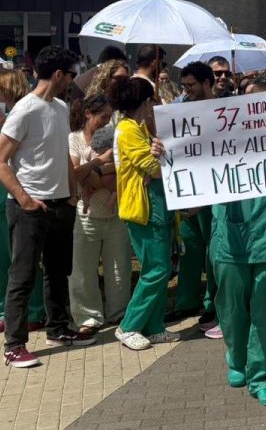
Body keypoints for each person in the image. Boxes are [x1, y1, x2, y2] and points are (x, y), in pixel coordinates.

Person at [0, 46, 90, 368]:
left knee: (59, 272)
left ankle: (58, 328)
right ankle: (14, 345)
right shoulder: (25, 110)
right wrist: (24, 199)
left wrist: (72, 194)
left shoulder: (60, 108)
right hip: (29, 208)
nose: (72, 82)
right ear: (58, 75)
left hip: (61, 204)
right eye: (70, 75)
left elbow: (61, 155)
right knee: (22, 276)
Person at [213, 80, 266, 406]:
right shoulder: (217, 142)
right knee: (231, 307)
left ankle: (260, 376)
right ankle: (236, 355)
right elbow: (189, 169)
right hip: (230, 237)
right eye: (250, 106)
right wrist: (168, 154)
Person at [110, 76, 178, 351]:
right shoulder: (127, 130)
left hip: (157, 209)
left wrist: (157, 156)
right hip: (143, 210)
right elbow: (152, 167)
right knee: (156, 269)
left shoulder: (139, 128)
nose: (154, 104)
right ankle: (129, 325)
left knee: (161, 269)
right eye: (151, 99)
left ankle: (154, 326)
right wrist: (158, 160)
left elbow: (154, 165)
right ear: (143, 101)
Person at [0, 67, 46, 336]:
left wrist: (2, 126)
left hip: (20, 196)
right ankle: (5, 313)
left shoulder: (25, 114)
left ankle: (35, 310)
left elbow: (28, 154)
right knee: (4, 261)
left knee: (26, 259)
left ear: (10, 87)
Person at [68, 93, 130, 335]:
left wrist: (95, 178)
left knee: (119, 268)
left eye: (110, 116)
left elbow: (123, 167)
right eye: (103, 117)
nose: (107, 121)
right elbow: (74, 172)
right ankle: (88, 316)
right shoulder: (73, 140)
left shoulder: (116, 137)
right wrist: (99, 167)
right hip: (86, 216)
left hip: (115, 214)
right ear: (87, 114)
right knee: (82, 270)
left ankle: (120, 312)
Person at [167, 62, 220, 334]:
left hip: (214, 192)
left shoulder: (223, 111)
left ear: (206, 83)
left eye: (191, 86)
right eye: (184, 86)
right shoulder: (179, 111)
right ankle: (186, 300)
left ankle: (213, 302)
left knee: (214, 250)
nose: (186, 91)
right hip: (187, 190)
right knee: (188, 248)